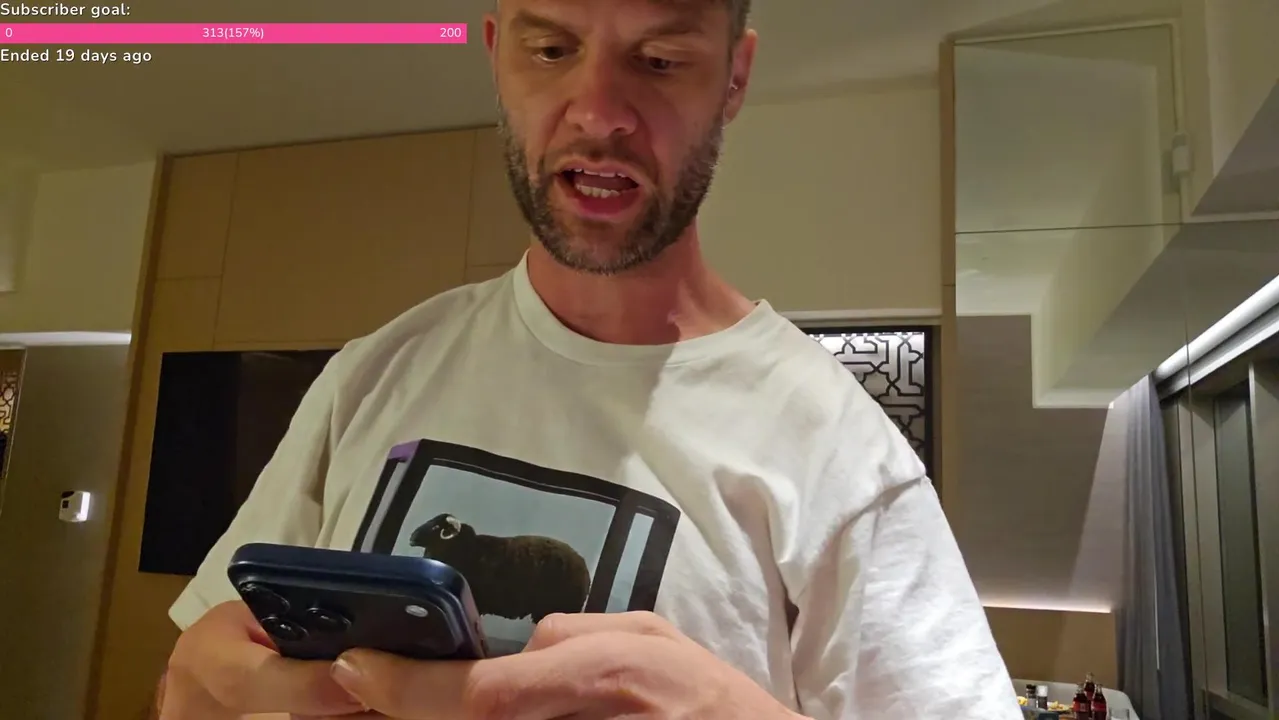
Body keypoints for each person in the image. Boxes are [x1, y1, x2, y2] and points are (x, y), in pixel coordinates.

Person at [157, 1, 1022, 718]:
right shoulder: (370, 375)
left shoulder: (845, 456)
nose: (599, 111)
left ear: (734, 77)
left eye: (659, 60)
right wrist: (192, 691)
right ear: (497, 57)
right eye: (551, 50)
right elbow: (192, 680)